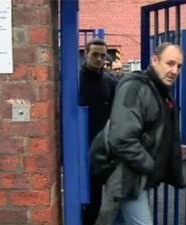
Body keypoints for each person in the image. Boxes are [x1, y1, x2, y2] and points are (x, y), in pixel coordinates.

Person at [90, 42, 185, 225]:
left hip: (135, 175)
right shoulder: (135, 87)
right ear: (155, 60)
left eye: (179, 66)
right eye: (170, 63)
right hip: (127, 177)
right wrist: (151, 166)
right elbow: (122, 139)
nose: (175, 71)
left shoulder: (159, 89)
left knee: (112, 219)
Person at [80, 38, 116, 225]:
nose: (99, 59)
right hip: (77, 148)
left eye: (103, 55)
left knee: (95, 199)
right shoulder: (73, 80)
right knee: (76, 196)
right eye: (95, 54)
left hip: (100, 148)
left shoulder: (109, 82)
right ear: (86, 54)